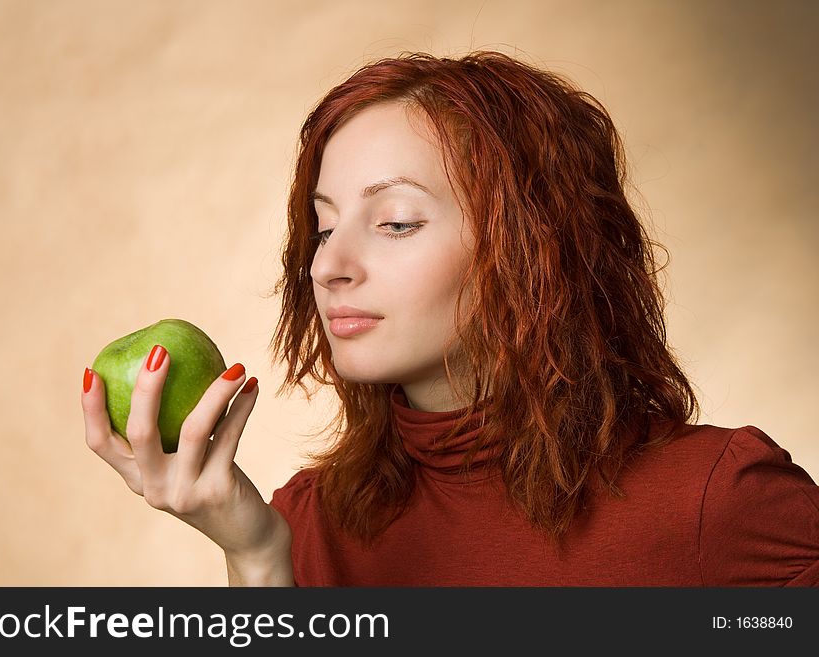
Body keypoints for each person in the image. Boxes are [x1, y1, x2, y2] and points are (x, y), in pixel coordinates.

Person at [81, 50, 819, 586]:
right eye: (323, 225)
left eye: (396, 221)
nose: (328, 264)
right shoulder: (304, 526)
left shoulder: (719, 501)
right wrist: (255, 557)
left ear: (535, 248)